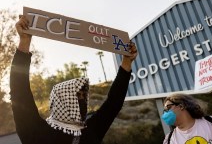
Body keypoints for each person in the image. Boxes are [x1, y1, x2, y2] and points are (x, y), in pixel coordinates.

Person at [10, 15, 138, 144]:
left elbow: (113, 103)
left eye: (84, 97)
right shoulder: (36, 133)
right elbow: (19, 93)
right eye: (78, 97)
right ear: (60, 101)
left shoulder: (91, 131)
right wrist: (24, 42)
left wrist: (126, 62)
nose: (83, 102)